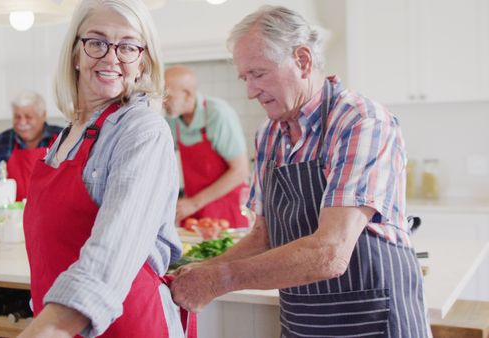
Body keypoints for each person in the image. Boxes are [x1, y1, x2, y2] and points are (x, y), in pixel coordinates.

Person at [170, 5, 431, 337]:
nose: (250, 91)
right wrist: (201, 270)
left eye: (259, 73)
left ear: (303, 60)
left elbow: (330, 253)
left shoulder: (361, 122)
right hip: (303, 324)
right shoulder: (269, 134)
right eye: (244, 77)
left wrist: (217, 279)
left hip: (374, 321)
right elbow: (263, 238)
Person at [17, 0, 191, 337]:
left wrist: (46, 330)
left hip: (125, 325)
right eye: (96, 42)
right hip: (65, 325)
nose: (111, 57)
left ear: (143, 62)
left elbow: (110, 256)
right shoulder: (67, 135)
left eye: (127, 46)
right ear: (75, 54)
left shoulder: (143, 132)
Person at [0, 91, 63, 228]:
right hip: (16, 222)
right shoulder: (2, 141)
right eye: (17, 117)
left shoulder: (62, 139)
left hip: (56, 220)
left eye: (28, 117)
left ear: (42, 116)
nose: (22, 122)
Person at [164, 65, 250, 228]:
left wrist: (195, 203)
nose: (163, 102)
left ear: (187, 94)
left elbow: (241, 171)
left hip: (228, 209)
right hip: (195, 210)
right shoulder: (172, 120)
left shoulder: (218, 114)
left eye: (167, 96)